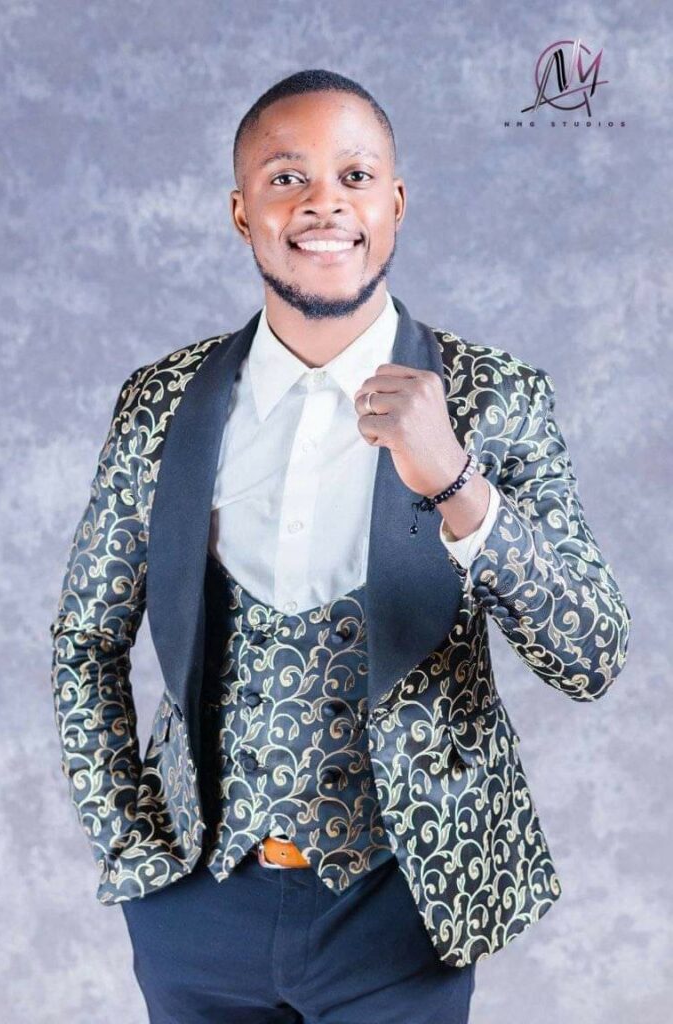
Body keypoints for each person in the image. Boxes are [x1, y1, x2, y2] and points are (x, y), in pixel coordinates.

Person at [49, 68, 631, 1024]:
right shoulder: (163, 402)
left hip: (403, 911)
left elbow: (594, 656)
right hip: (197, 912)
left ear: (395, 204)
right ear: (241, 212)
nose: (324, 203)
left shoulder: (494, 398)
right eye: (287, 178)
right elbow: (86, 637)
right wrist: (130, 845)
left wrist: (455, 480)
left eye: (355, 176)